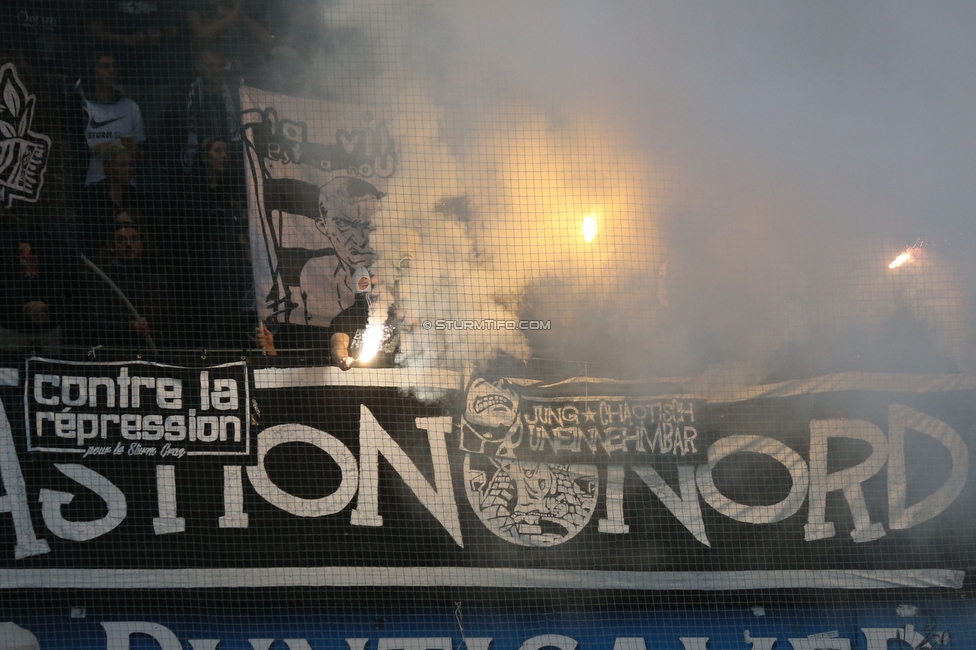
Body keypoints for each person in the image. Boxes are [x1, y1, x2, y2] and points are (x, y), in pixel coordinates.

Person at [256, 267, 395, 369]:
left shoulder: (397, 316)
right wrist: (343, 358)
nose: (372, 288)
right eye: (365, 283)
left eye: (377, 284)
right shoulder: (347, 318)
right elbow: (338, 344)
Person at [76, 52, 146, 186]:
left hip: (126, 189)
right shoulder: (82, 106)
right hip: (91, 185)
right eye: (105, 67)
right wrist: (95, 150)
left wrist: (132, 151)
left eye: (114, 66)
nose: (112, 71)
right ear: (93, 72)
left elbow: (140, 150)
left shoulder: (131, 107)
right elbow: (70, 150)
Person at [182, 44, 241, 174]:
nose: (215, 70)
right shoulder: (183, 99)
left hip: (232, 173)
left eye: (220, 65)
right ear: (199, 66)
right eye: (210, 65)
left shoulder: (238, 98)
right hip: (194, 174)